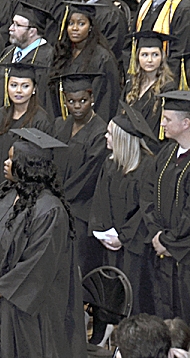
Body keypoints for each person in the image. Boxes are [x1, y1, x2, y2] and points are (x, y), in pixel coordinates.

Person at [0, 128, 86, 358]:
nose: (5, 162)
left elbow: (38, 265)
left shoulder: (50, 210)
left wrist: (1, 289)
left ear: (28, 165)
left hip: (31, 311)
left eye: (12, 158)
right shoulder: (5, 195)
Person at [90, 104, 156, 316]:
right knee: (111, 294)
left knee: (135, 294)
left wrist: (123, 237)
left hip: (135, 247)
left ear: (122, 138)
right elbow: (100, 201)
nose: (106, 136)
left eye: (110, 133)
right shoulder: (110, 164)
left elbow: (144, 211)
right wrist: (103, 232)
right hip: (111, 244)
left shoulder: (148, 167)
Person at [143, 91, 190, 320]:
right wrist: (156, 234)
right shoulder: (167, 153)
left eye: (167, 119)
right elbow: (147, 194)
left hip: (189, 259)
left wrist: (169, 241)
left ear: (185, 123)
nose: (161, 123)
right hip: (161, 252)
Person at [50, 73, 109, 276]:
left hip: (82, 210)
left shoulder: (99, 132)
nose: (77, 106)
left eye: (83, 101)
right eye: (71, 101)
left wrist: (59, 195)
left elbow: (89, 176)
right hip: (59, 204)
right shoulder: (62, 125)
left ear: (92, 99)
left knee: (77, 263)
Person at [0, 63, 53, 197]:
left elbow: (40, 165)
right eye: (13, 85)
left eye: (25, 86)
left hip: (24, 194)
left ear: (34, 89)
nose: (18, 91)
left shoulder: (41, 121)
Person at [48, 2, 121, 122]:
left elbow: (107, 100)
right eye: (71, 23)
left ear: (91, 27)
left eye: (81, 24)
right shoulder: (61, 54)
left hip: (91, 126)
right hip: (63, 123)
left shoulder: (103, 58)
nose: (75, 28)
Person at [0, 1, 54, 116]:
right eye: (12, 23)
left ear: (32, 31)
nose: (11, 28)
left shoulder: (47, 58)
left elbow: (45, 100)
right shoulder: (8, 52)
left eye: (18, 25)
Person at [124, 31, 175, 142]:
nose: (150, 60)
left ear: (162, 57)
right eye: (144, 55)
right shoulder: (131, 84)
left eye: (155, 54)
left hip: (153, 147)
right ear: (137, 57)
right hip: (129, 144)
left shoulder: (168, 88)